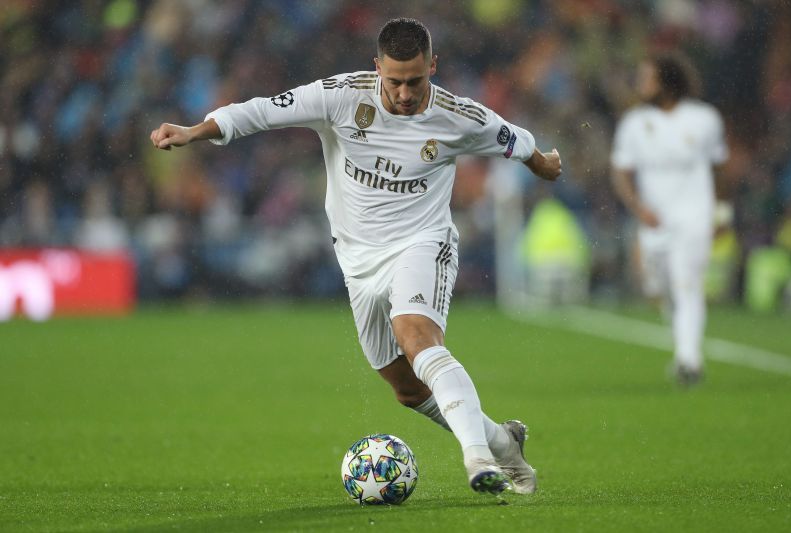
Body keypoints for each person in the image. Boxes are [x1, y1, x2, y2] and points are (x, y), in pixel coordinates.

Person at [150, 18, 561, 495]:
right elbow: (260, 111)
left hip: (422, 242)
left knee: (417, 335)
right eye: (395, 81)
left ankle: (476, 458)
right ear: (377, 68)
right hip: (357, 261)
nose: (405, 93)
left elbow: (515, 138)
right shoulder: (341, 96)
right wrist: (194, 130)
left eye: (415, 81)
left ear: (433, 66)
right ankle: (503, 442)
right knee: (407, 390)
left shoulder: (459, 116)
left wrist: (542, 163)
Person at [611, 53, 728, 386]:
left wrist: (721, 211)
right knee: (658, 285)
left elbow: (720, 168)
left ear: (667, 82)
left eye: (647, 77)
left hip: (694, 214)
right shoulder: (634, 123)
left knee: (687, 282)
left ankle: (688, 359)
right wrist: (637, 208)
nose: (640, 84)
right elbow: (620, 171)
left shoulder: (705, 118)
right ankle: (684, 341)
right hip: (654, 221)